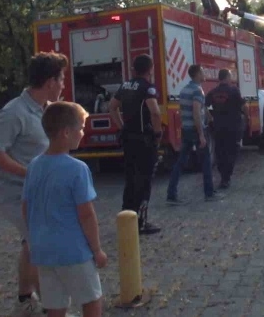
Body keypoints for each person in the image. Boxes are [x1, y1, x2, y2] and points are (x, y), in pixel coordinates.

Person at [0, 51, 68, 317]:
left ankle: (24, 300)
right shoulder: (14, 112)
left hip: (37, 194)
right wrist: (29, 173)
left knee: (31, 245)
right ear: (50, 82)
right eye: (62, 78)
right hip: (16, 195)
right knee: (44, 248)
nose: (64, 84)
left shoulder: (44, 110)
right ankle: (54, 309)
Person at [22, 102, 107, 317]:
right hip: (74, 252)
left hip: (44, 252)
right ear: (66, 133)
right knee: (92, 300)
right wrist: (96, 250)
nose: (83, 132)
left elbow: (26, 207)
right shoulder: (77, 169)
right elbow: (86, 214)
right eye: (80, 128)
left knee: (55, 306)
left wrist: (33, 240)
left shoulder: (34, 166)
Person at [109, 55, 163, 235]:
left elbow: (112, 106)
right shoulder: (148, 88)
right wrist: (157, 134)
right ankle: (141, 222)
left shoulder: (125, 86)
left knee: (130, 180)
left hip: (128, 139)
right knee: (144, 181)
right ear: (150, 69)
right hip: (144, 141)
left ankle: (126, 219)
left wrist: (122, 126)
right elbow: (155, 112)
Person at [166, 65, 224, 205]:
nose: (204, 74)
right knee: (206, 161)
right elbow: (196, 113)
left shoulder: (185, 89)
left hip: (186, 130)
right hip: (196, 130)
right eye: (203, 72)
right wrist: (201, 135)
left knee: (181, 162)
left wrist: (209, 115)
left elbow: (198, 108)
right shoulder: (198, 91)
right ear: (197, 74)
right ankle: (209, 193)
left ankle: (171, 194)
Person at [206, 69, 248, 189]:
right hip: (233, 127)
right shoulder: (234, 90)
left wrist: (210, 118)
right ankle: (226, 178)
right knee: (232, 152)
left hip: (218, 127)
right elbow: (244, 106)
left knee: (220, 152)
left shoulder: (213, 92)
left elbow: (203, 105)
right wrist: (247, 117)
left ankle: (223, 177)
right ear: (227, 77)